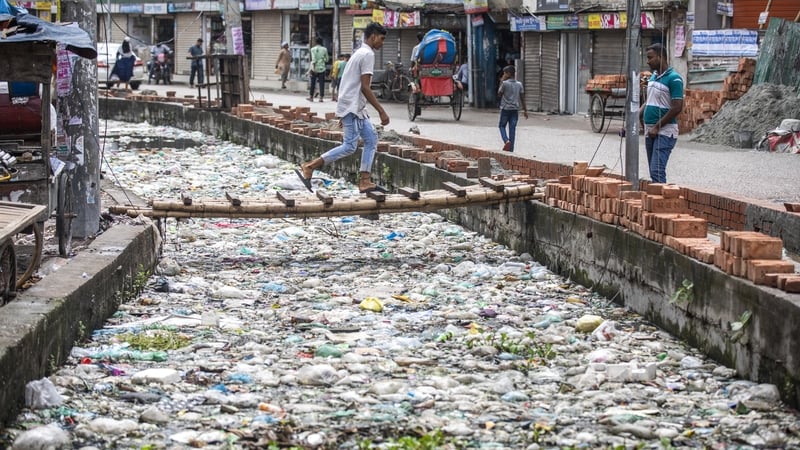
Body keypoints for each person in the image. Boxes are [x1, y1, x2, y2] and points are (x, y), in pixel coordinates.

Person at [295, 22, 389, 194]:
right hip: (352, 107)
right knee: (350, 146)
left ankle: (365, 181)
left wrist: (343, 110)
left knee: (371, 139)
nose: (382, 43)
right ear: (373, 36)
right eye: (381, 39)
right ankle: (310, 166)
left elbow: (351, 83)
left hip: (354, 107)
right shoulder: (367, 54)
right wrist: (381, 111)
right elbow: (365, 87)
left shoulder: (359, 53)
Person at [639, 43, 684, 184]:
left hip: (664, 131)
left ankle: (661, 202)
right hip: (650, 130)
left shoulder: (674, 78)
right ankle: (656, 201)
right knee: (653, 172)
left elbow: (677, 107)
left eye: (650, 57)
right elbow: (649, 101)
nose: (648, 61)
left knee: (657, 170)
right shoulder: (653, 77)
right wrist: (638, 115)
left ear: (661, 57)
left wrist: (657, 126)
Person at [497, 65, 528, 152]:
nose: (503, 74)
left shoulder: (504, 83)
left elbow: (499, 94)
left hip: (505, 109)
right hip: (515, 110)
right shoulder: (519, 84)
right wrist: (525, 110)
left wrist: (502, 81)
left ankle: (506, 140)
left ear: (509, 74)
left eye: (505, 73)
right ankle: (511, 149)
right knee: (512, 129)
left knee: (501, 126)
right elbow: (522, 98)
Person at [308, 37, 329, 102]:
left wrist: (314, 69)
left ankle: (311, 97)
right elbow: (327, 59)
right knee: (321, 83)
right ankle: (321, 98)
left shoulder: (312, 49)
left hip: (314, 68)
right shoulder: (325, 49)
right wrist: (322, 60)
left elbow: (313, 59)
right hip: (322, 68)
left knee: (313, 83)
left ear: (316, 42)